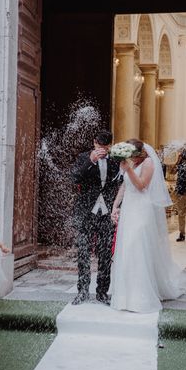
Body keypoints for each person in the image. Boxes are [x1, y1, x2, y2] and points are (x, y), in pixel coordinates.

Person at [110, 138, 182, 313]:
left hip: (142, 210)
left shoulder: (148, 162)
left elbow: (142, 185)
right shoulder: (131, 164)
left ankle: (140, 296)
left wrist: (128, 169)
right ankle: (125, 295)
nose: (130, 158)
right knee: (126, 249)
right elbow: (125, 186)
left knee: (137, 247)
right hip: (129, 209)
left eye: (131, 155)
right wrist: (115, 206)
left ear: (138, 152)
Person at [71, 130, 121, 305]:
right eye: (100, 146)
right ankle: (82, 291)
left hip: (106, 213)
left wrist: (117, 207)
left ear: (110, 146)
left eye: (106, 147)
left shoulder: (115, 159)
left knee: (105, 253)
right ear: (94, 143)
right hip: (86, 213)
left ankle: (102, 292)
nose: (103, 150)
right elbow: (75, 177)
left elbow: (120, 183)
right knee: (83, 253)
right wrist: (91, 160)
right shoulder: (84, 157)